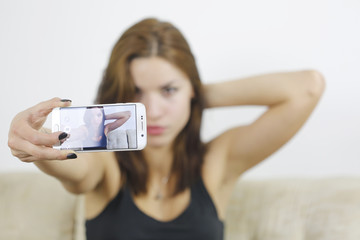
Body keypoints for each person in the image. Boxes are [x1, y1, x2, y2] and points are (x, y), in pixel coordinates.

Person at [7, 18, 325, 239]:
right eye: (136, 92)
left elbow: (308, 88)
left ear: (193, 89)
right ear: (118, 95)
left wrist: (196, 95)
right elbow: (77, 174)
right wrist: (39, 150)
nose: (153, 111)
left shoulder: (219, 161)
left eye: (168, 90)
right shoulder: (106, 164)